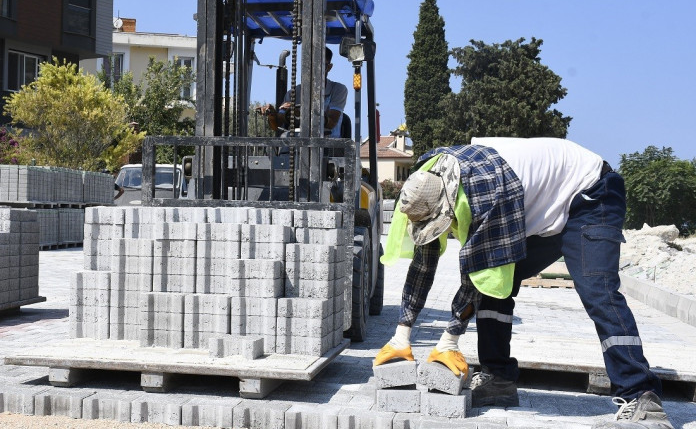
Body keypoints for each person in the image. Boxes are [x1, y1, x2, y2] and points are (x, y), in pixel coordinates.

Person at [376, 137, 670, 429]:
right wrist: (401, 335)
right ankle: (499, 378)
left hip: (589, 193)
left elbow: (475, 273)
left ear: (451, 203)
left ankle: (640, 395)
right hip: (535, 205)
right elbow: (423, 266)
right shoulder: (423, 182)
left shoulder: (483, 195)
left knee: (598, 290)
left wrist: (449, 340)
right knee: (497, 283)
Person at [258, 47, 347, 138]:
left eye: (319, 65)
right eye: (309, 65)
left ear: (329, 67)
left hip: (329, 146)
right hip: (298, 146)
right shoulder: (294, 93)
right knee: (285, 140)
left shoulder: (338, 90)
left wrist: (300, 111)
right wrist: (273, 115)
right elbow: (277, 124)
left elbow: (331, 122)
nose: (313, 69)